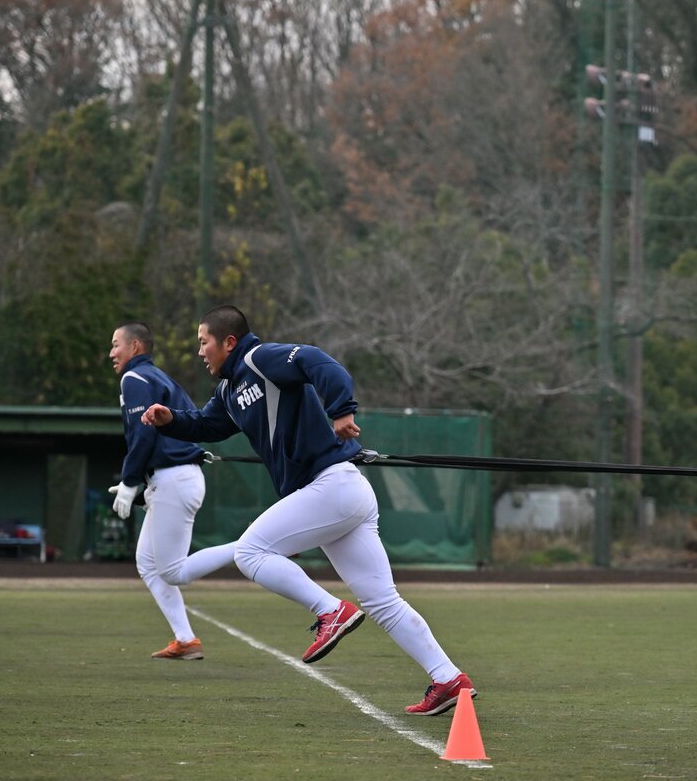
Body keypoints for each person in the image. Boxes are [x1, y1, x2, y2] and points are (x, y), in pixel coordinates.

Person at [141, 305, 476, 716]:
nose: (199, 352)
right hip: (339, 494)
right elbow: (208, 426)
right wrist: (170, 419)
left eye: (203, 342)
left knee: (249, 552)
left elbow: (320, 362)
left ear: (228, 342)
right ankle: (448, 679)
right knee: (383, 601)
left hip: (331, 485)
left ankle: (330, 611)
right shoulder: (229, 391)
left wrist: (342, 411)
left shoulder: (259, 359)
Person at [109, 321, 238, 660]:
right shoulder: (157, 376)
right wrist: (138, 483)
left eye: (116, 345)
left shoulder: (134, 378)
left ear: (136, 347)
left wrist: (129, 481)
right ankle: (186, 640)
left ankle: (250, 547)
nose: (111, 353)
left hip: (174, 479)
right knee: (148, 564)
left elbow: (144, 434)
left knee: (172, 571)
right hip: (174, 479)